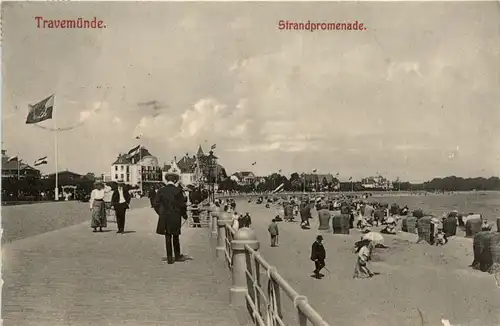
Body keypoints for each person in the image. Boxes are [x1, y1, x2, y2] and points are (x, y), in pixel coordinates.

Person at [154, 172, 189, 264]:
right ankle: (177, 255)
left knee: (167, 236)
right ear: (175, 180)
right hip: (175, 216)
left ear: (167, 180)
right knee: (175, 236)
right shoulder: (178, 190)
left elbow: (156, 204)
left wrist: (161, 213)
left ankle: (169, 258)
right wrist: (184, 215)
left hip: (165, 216)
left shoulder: (161, 190)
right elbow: (182, 205)